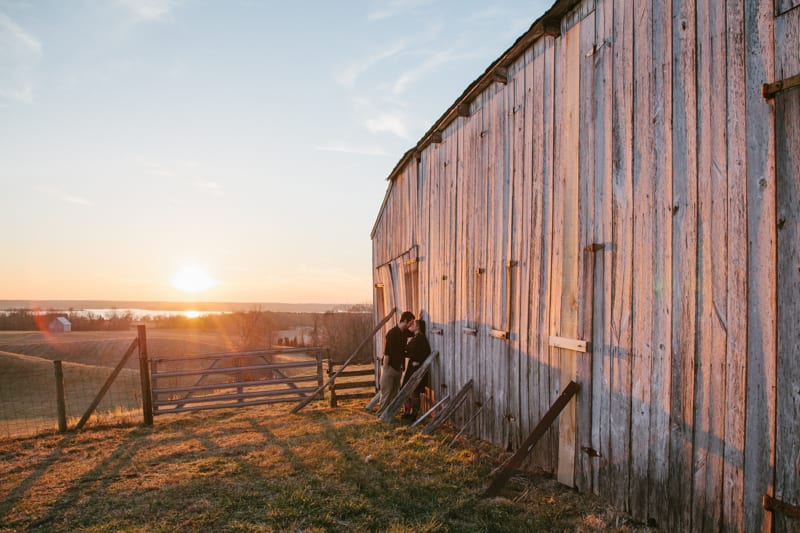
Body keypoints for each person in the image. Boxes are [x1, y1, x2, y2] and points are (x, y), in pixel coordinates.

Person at [379, 311, 415, 412]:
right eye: (411, 323)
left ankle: (390, 414)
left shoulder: (404, 332)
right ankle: (381, 414)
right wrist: (385, 369)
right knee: (386, 393)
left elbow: (414, 333)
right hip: (389, 367)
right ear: (404, 320)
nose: (411, 325)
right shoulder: (392, 334)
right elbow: (387, 353)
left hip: (398, 368)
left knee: (394, 393)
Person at [401, 319, 431, 419]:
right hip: (411, 368)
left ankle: (414, 414)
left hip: (416, 369)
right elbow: (407, 350)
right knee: (406, 389)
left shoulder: (421, 338)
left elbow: (426, 352)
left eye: (413, 324)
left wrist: (418, 361)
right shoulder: (415, 337)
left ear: (417, 327)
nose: (411, 325)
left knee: (414, 390)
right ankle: (407, 412)